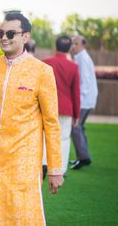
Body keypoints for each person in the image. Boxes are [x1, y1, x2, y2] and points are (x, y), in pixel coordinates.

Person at [0, 12, 63, 225]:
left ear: (26, 36)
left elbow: (51, 124)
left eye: (10, 33)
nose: (4, 38)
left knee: (20, 214)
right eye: (0, 33)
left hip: (23, 162)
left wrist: (54, 169)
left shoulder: (42, 72)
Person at [43, 35, 81, 176]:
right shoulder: (73, 67)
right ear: (70, 48)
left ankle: (44, 163)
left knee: (45, 135)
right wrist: (77, 114)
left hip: (46, 106)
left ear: (55, 46)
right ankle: (61, 169)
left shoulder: (45, 62)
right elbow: (75, 93)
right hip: (66, 108)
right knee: (64, 138)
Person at [69, 35, 98, 170]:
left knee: (75, 127)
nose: (73, 46)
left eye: (76, 44)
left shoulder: (83, 59)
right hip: (86, 99)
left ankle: (83, 158)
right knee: (79, 127)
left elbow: (85, 83)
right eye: (73, 43)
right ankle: (83, 156)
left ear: (83, 45)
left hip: (84, 100)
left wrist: (77, 101)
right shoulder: (79, 57)